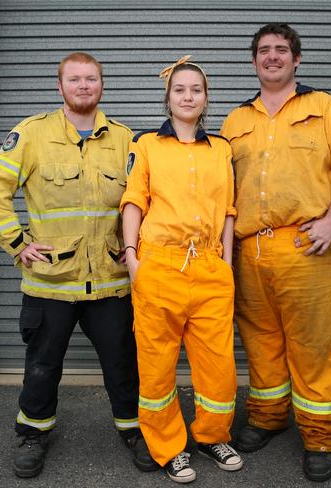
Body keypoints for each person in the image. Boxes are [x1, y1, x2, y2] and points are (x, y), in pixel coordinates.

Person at [0, 52, 155, 478]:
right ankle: (33, 433)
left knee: (123, 363)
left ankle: (134, 430)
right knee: (42, 365)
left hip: (110, 282)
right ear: (60, 87)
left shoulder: (126, 140)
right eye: (73, 79)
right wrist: (18, 242)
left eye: (90, 79)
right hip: (51, 282)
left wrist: (137, 252)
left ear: (101, 85)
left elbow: (144, 202)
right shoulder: (32, 135)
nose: (82, 86)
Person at [220, 23, 331, 482]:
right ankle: (267, 416)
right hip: (249, 250)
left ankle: (320, 434)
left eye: (281, 50)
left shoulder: (323, 107)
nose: (272, 57)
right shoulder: (235, 120)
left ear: (296, 59)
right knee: (261, 342)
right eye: (263, 51)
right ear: (253, 61)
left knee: (314, 346)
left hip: (304, 247)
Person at [120, 56, 242, 484]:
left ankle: (211, 436)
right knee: (157, 365)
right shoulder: (147, 144)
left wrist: (226, 263)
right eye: (180, 90)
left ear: (206, 99)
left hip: (210, 267)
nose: (188, 96)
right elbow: (134, 201)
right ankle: (168, 447)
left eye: (196, 90)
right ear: (167, 98)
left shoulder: (222, 148)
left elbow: (229, 210)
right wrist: (133, 259)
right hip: (160, 266)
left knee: (218, 366)